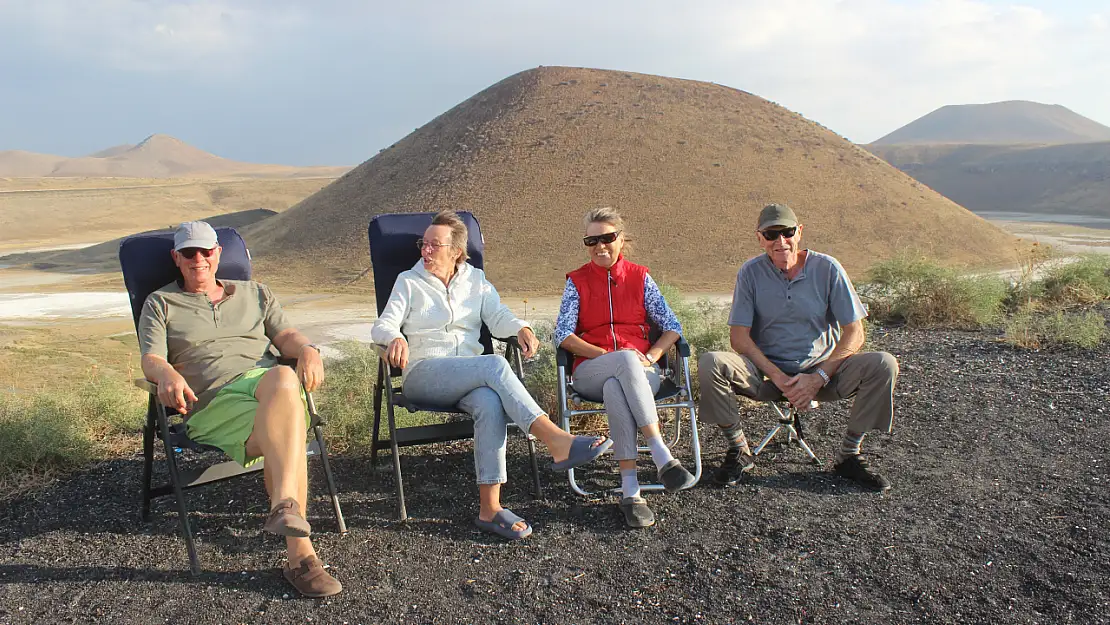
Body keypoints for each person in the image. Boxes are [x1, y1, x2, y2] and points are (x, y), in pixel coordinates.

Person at [370, 210, 613, 540]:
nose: (425, 251)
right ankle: (556, 440)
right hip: (425, 375)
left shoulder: (475, 281)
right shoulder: (408, 282)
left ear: (456, 250)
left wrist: (521, 328)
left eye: (434, 245)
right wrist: (394, 337)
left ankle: (490, 509)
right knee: (496, 365)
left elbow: (498, 316)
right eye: (422, 244)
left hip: (470, 377)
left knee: (488, 401)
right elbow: (382, 325)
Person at [138, 221, 341, 598]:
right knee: (289, 412)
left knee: (282, 379)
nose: (197, 259)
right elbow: (150, 357)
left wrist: (309, 348)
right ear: (176, 258)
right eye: (188, 253)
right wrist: (164, 373)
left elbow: (286, 336)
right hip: (212, 401)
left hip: (265, 388)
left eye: (204, 251)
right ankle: (294, 531)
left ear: (217, 254)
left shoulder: (256, 293)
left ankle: (295, 537)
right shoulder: (160, 302)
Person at [698, 203, 899, 491]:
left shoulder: (827, 268)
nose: (781, 242)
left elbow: (855, 333)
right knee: (711, 363)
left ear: (799, 232)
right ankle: (739, 449)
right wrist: (780, 378)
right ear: (759, 238)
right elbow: (739, 338)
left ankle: (849, 455)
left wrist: (818, 379)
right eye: (771, 234)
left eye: (787, 232)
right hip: (766, 376)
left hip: (824, 374)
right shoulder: (750, 273)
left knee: (884, 364)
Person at [554, 207, 696, 529]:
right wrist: (603, 353)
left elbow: (672, 325)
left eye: (607, 238)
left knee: (616, 385)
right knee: (622, 362)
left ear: (621, 239)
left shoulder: (640, 277)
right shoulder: (576, 281)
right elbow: (562, 334)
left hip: (641, 373)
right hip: (590, 369)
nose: (600, 246)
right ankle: (661, 454)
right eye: (592, 240)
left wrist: (655, 355)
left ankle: (631, 492)